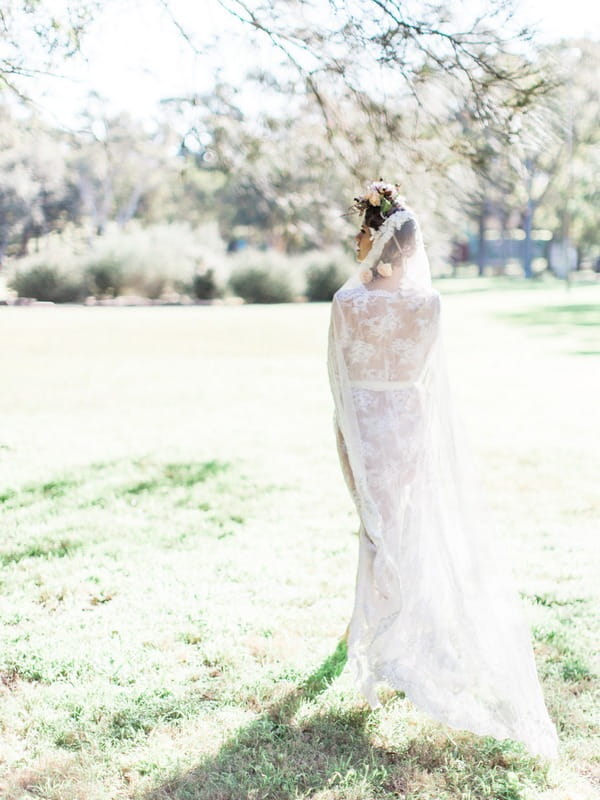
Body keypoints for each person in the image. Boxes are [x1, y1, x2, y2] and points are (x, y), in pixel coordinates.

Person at [327, 180, 559, 759]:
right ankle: (385, 632)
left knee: (374, 529)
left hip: (360, 422)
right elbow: (428, 374)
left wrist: (349, 425)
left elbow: (336, 373)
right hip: (408, 420)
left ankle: (379, 640)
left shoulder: (346, 302)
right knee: (400, 525)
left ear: (377, 242)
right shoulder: (429, 305)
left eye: (364, 235)